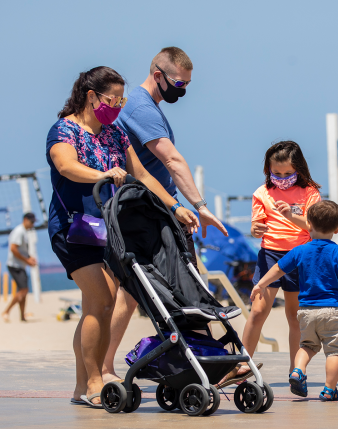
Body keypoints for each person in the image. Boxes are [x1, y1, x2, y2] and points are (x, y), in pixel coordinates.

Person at [47, 66, 199, 407]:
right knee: (100, 299)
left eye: (121, 99)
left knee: (98, 305)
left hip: (111, 228)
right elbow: (65, 166)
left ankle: (80, 386)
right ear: (91, 96)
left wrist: (176, 207)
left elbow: (142, 174)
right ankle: (95, 381)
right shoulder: (65, 130)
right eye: (111, 99)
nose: (116, 105)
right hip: (75, 228)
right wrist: (103, 174)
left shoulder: (115, 133)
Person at [103, 46, 228, 382]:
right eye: (178, 83)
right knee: (178, 286)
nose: (182, 90)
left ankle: (208, 358)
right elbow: (171, 160)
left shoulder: (149, 107)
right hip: (152, 214)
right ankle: (208, 360)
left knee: (135, 294)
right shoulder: (142, 109)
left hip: (154, 211)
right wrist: (200, 208)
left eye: (187, 85)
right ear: (157, 74)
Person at [218, 141, 322, 387]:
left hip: (299, 257)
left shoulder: (310, 192)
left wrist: (291, 216)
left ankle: (295, 371)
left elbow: (315, 228)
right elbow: (256, 226)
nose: (282, 178)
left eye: (288, 173)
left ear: (299, 169)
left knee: (294, 316)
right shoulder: (261, 193)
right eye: (277, 173)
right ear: (268, 170)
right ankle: (243, 364)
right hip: (269, 256)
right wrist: (255, 229)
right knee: (257, 312)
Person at [250, 200, 338, 401]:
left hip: (305, 311)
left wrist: (261, 283)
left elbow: (278, 269)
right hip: (332, 310)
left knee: (307, 346)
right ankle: (329, 389)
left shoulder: (300, 250)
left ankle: (297, 371)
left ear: (308, 225)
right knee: (334, 352)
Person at [1, 212, 37, 322]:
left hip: (20, 265)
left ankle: (22, 316)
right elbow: (13, 248)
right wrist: (27, 260)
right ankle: (6, 311)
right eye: (31, 222)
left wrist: (29, 257)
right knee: (24, 290)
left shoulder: (24, 232)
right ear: (25, 220)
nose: (32, 225)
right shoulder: (19, 231)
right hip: (14, 265)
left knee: (23, 291)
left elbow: (21, 250)